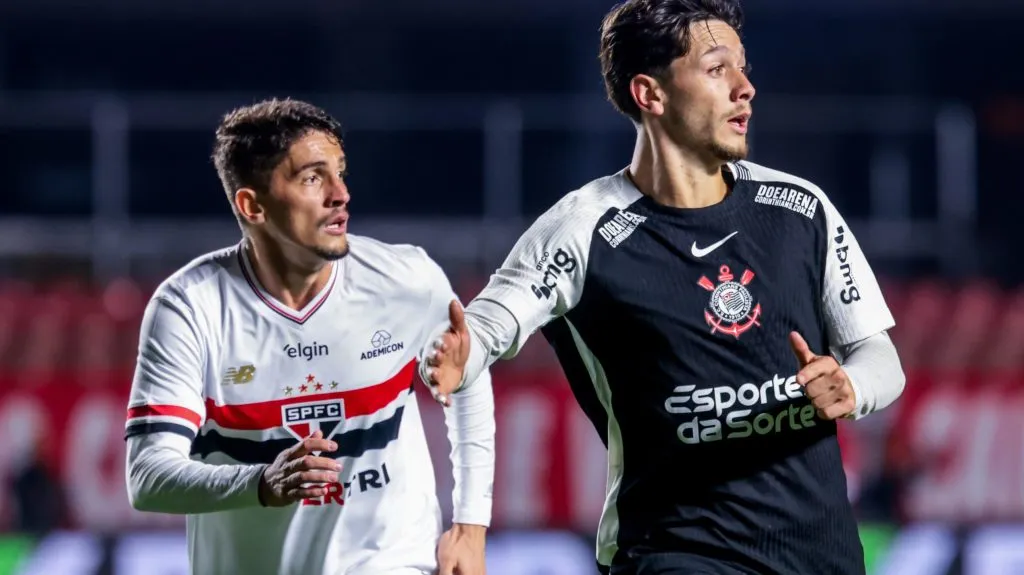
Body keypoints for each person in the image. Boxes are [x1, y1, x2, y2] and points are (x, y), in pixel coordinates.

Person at [420, 1, 906, 573]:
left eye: (744, 69)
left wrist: (852, 384)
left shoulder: (801, 209)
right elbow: (488, 326)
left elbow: (882, 359)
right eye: (718, 69)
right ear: (651, 94)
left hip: (820, 554)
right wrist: (460, 352)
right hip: (674, 550)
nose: (745, 88)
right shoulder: (585, 227)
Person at [124, 98, 494, 575]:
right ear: (252, 205)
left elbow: (469, 377)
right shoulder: (191, 307)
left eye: (340, 173)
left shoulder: (407, 280)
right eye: (313, 178)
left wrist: (470, 525)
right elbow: (148, 475)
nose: (340, 194)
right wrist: (263, 482)